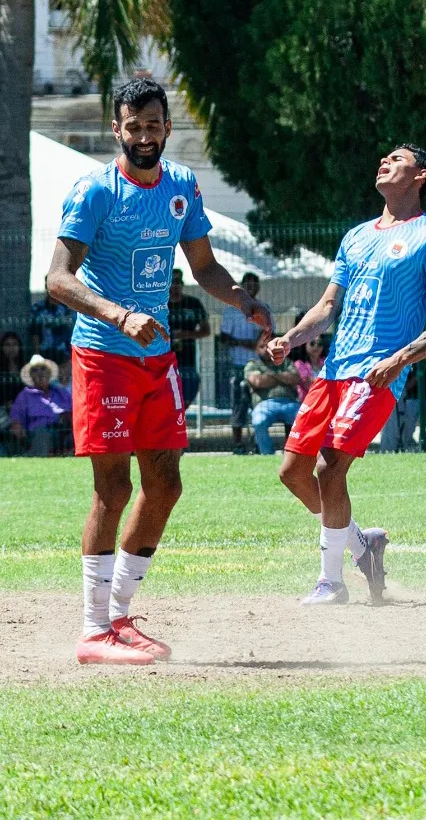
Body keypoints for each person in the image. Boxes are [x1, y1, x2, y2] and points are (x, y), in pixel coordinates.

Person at [46, 78, 271, 665]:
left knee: (166, 484)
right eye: (133, 126)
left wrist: (241, 301)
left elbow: (204, 266)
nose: (144, 136)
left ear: (167, 129)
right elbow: (59, 278)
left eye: (154, 126)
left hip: (158, 358)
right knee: (113, 488)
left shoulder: (181, 186)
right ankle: (93, 630)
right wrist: (119, 315)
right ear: (116, 129)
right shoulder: (95, 190)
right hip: (104, 352)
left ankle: (119, 616)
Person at [265, 144, 426, 606]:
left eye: (397, 160)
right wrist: (290, 338)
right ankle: (362, 545)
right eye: (384, 158)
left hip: (375, 375)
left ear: (422, 176)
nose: (384, 163)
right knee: (293, 473)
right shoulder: (355, 236)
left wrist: (399, 360)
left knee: (329, 468)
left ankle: (331, 584)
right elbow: (328, 306)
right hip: (333, 371)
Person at [218, 271, 262, 452]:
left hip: (259, 366)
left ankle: (259, 443)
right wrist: (248, 344)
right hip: (238, 364)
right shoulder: (231, 311)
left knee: (259, 403)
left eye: (254, 284)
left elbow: (265, 337)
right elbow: (224, 337)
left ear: (258, 287)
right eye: (248, 284)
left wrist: (245, 343)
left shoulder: (263, 308)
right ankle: (237, 443)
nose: (251, 287)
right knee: (238, 404)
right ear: (242, 286)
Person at [243, 332, 303, 456]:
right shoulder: (253, 364)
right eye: (262, 346)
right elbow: (258, 381)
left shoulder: (286, 362)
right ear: (256, 348)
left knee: (303, 420)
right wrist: (282, 377)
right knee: (258, 421)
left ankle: (296, 454)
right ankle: (267, 454)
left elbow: (296, 378)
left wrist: (272, 375)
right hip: (264, 405)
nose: (266, 349)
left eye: (269, 346)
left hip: (290, 403)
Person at [9, 354, 73, 456]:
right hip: (37, 434)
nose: (39, 373)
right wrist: (18, 428)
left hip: (63, 432)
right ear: (30, 375)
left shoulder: (61, 392)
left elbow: (74, 413)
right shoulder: (24, 395)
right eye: (35, 370)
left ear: (49, 372)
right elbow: (16, 422)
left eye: (43, 369)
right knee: (42, 433)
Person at [165, 268, 210, 407]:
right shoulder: (161, 304)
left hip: (188, 361)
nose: (175, 285)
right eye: (172, 282)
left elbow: (206, 330)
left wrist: (186, 334)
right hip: (164, 359)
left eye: (178, 282)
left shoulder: (193, 304)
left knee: (185, 400)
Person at [28, 293, 74, 365]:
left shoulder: (68, 309)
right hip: (45, 354)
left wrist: (70, 360)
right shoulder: (37, 308)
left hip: (66, 355)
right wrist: (37, 355)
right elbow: (34, 333)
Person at [292, 335, 329, 402]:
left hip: (326, 400)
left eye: (320, 344)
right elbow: (307, 384)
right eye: (312, 343)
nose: (316, 346)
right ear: (305, 345)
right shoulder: (299, 364)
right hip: (307, 402)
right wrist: (327, 382)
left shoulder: (326, 362)